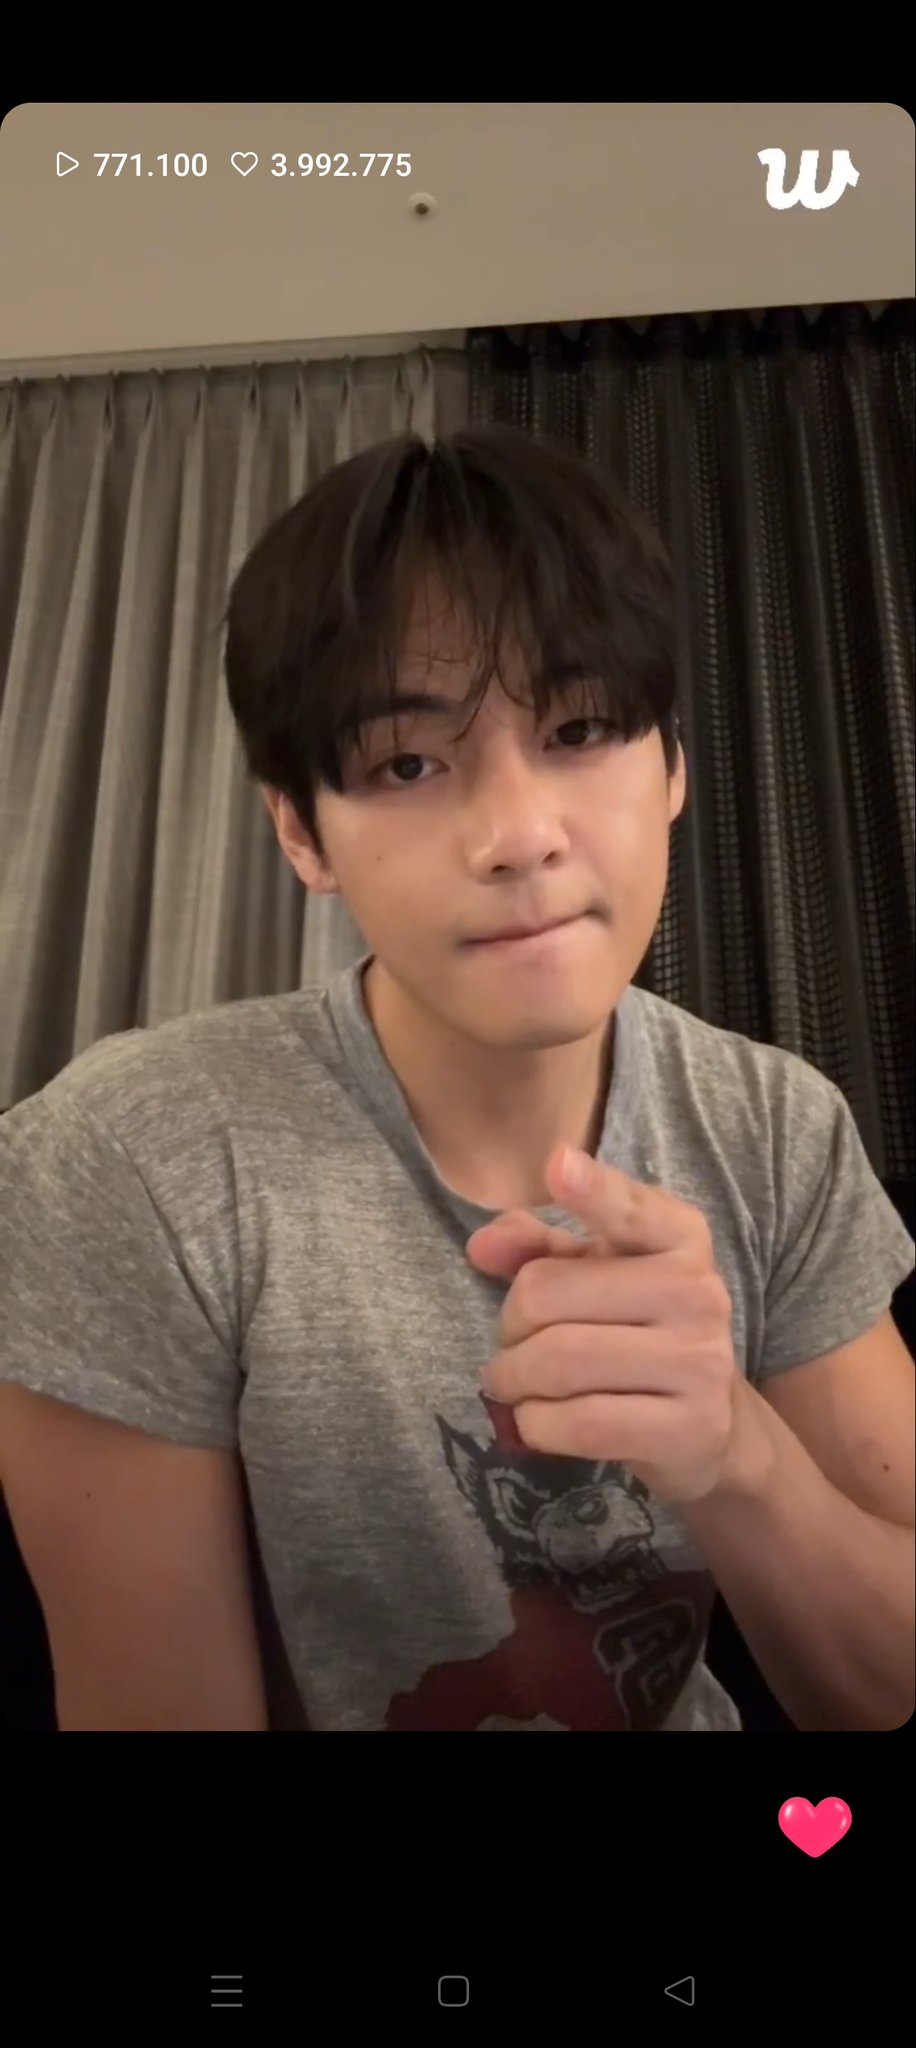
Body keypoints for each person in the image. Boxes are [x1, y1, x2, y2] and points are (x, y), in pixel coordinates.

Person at [0, 426, 913, 1733]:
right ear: (301, 831)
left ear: (672, 767)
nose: (518, 835)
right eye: (409, 764)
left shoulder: (773, 1128)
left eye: (582, 727)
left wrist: (740, 1455)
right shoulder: (132, 1161)